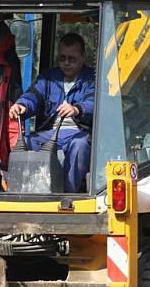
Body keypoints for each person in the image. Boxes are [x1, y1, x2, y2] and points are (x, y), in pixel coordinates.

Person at [8, 33, 95, 192]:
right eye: (62, 58)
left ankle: (68, 193)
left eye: (72, 59)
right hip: (49, 133)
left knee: (80, 145)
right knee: (26, 143)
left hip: (78, 133)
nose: (66, 63)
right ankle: (26, 191)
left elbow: (93, 102)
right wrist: (22, 105)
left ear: (82, 58)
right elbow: (33, 95)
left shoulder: (91, 79)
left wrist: (77, 109)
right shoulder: (48, 78)